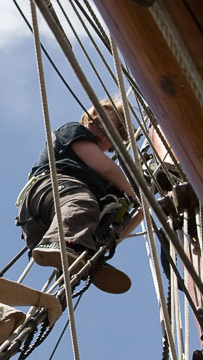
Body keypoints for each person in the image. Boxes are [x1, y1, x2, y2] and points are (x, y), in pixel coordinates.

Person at [16, 99, 142, 293]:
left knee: (96, 223)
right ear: (85, 119)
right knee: (83, 203)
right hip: (50, 192)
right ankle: (65, 245)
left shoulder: (108, 186)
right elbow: (107, 168)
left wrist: (144, 210)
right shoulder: (73, 131)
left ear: (114, 142)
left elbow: (123, 225)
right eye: (95, 120)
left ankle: (84, 258)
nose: (98, 128)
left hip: (46, 226)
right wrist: (137, 194)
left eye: (107, 128)